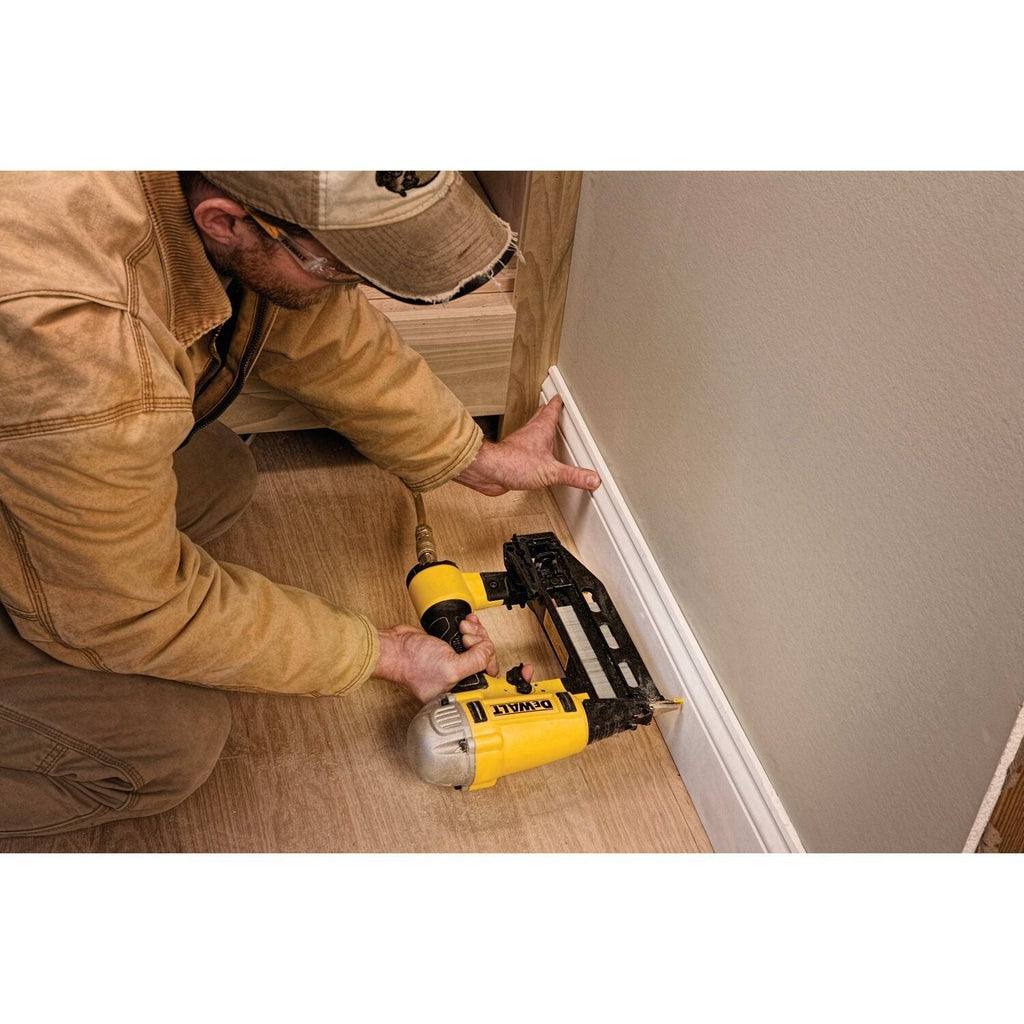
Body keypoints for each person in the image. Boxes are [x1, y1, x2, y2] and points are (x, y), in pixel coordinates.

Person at [0, 171, 600, 837]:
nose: (353, 288)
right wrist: (381, 653)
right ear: (225, 221)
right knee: (168, 745)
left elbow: (314, 325)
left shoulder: (191, 188)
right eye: (338, 267)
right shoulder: (83, 351)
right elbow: (129, 609)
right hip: (57, 385)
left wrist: (471, 457)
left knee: (217, 473)